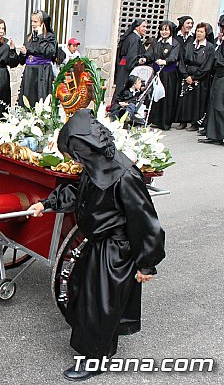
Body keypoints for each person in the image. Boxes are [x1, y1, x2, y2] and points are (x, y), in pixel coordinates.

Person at [29, 109, 165, 381]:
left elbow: (146, 221)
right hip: (98, 244)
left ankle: (95, 359)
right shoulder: (97, 165)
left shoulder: (125, 175)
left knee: (100, 305)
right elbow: (80, 194)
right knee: (83, 294)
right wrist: (46, 204)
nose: (74, 159)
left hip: (116, 250)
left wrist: (146, 264)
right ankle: (97, 346)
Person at [175, 22, 215, 131]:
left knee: (197, 101)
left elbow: (207, 66)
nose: (199, 33)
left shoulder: (209, 47)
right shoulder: (189, 44)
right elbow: (182, 61)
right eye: (197, 31)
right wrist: (185, 75)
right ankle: (182, 121)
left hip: (200, 78)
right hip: (187, 75)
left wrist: (194, 77)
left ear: (206, 33)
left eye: (201, 32)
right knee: (184, 99)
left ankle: (194, 123)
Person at [18, 10, 59, 108]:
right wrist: (23, 54)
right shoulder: (29, 37)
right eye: (32, 21)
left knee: (40, 99)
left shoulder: (50, 37)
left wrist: (41, 37)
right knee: (27, 100)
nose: (33, 24)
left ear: (42, 23)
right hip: (29, 72)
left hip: (42, 72)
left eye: (35, 22)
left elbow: (49, 53)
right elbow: (22, 61)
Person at [147, 21, 181, 130]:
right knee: (155, 96)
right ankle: (155, 120)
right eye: (162, 29)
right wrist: (144, 58)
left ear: (171, 31)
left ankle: (165, 122)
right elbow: (150, 54)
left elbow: (174, 57)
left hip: (168, 74)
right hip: (157, 73)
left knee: (166, 97)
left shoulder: (175, 43)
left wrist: (165, 61)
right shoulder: (156, 42)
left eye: (166, 30)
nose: (164, 32)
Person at [199, 15, 224, 145]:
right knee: (215, 105)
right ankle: (215, 134)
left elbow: (219, 59)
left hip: (222, 77)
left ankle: (218, 135)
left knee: (219, 106)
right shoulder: (220, 41)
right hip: (219, 77)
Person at [114, 19, 149, 94]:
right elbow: (132, 56)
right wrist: (137, 63)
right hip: (127, 69)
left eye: (146, 27)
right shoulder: (134, 39)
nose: (145, 29)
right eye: (143, 26)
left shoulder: (132, 37)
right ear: (136, 27)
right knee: (123, 91)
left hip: (124, 66)